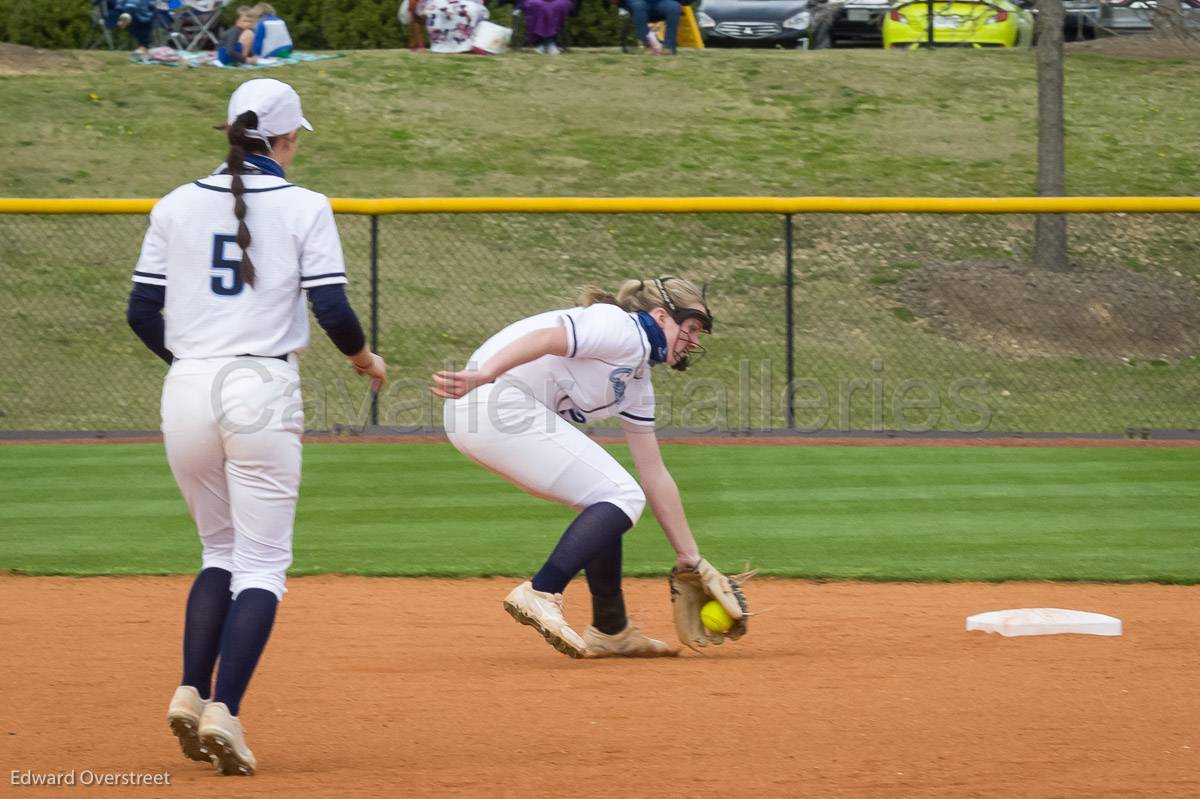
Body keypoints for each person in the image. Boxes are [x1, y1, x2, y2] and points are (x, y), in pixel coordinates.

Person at [125, 78, 387, 775]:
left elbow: (140, 313)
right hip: (262, 386)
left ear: (229, 133)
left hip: (186, 386)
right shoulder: (305, 205)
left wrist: (187, 362)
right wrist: (363, 358)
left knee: (219, 551)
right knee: (263, 564)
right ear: (288, 139)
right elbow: (331, 306)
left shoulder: (174, 204)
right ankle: (225, 709)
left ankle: (190, 688)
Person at [432, 277, 749, 658]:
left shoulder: (637, 382)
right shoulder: (620, 327)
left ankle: (611, 629)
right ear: (661, 316)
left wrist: (690, 557)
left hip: (490, 414)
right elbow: (547, 338)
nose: (694, 340)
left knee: (608, 495)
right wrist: (486, 373)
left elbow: (654, 473)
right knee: (619, 494)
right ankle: (542, 592)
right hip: (491, 402)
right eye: (691, 328)